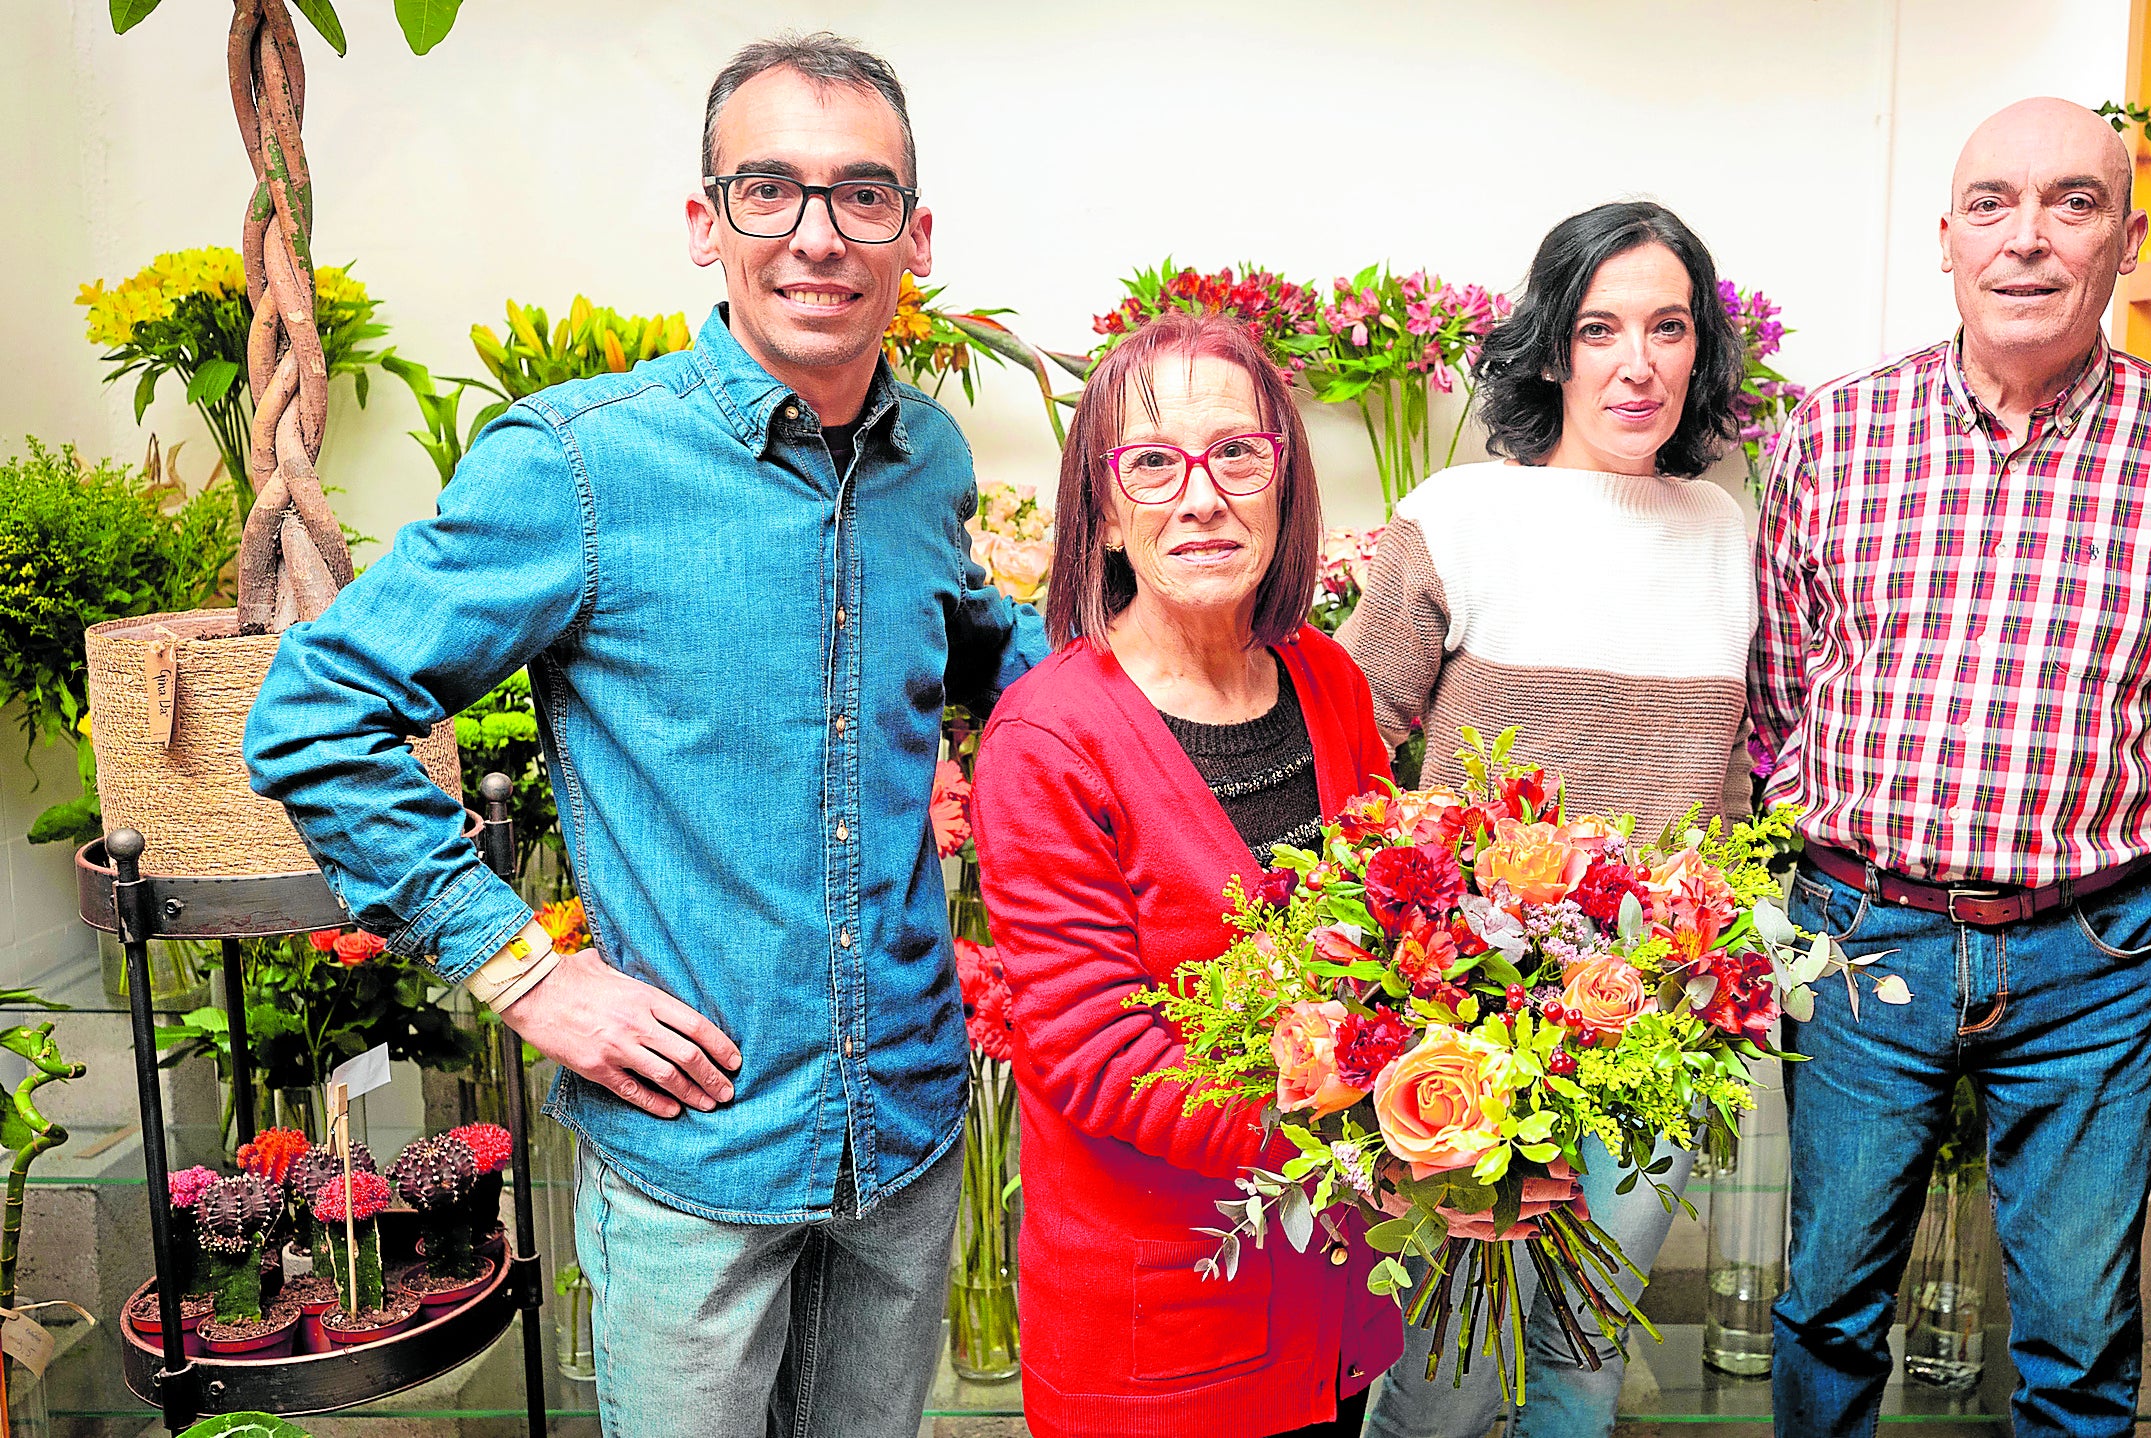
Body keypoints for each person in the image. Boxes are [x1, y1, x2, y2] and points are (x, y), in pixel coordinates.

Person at [244, 33, 1045, 1438]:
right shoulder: (581, 462)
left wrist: (1173, 652)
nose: (816, 236)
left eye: (863, 196)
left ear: (913, 236)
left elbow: (971, 631)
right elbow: (317, 710)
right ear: (704, 223)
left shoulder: (931, 459)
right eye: (769, 190)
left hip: (909, 1135)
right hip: (698, 1157)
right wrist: (524, 972)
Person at [1753, 98, 2151, 1438]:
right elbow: (1784, 688)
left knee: (2079, 1333)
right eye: (1991, 203)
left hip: (2089, 955)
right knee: (1824, 1306)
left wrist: (2093, 844)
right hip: (1862, 938)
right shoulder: (1831, 434)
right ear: (1945, 238)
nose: (2026, 239)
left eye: (2072, 203)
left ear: (2123, 241)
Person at [1339, 199, 1754, 1438]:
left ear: (1700, 349)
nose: (1638, 364)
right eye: (1602, 328)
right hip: (1470, 1022)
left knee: (1582, 1360)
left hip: (1656, 1034)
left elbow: (1733, 789)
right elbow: (1354, 752)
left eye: (1668, 327)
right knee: (1442, 1376)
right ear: (1551, 348)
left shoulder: (1726, 532)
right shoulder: (1461, 516)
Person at [970, 312, 1405, 1438]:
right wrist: (1376, 1138)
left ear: (1282, 485)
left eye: (1238, 454)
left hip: (1330, 1302)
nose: (1200, 495)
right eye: (1153, 463)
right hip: (1166, 1330)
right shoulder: (1050, 739)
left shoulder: (1328, 683)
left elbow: (1402, 944)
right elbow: (1101, 1058)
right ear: (1107, 514)